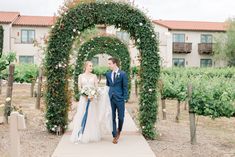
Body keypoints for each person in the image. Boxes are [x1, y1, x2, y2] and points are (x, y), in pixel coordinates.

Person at [70, 61, 112, 143]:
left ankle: (91, 134)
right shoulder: (80, 76)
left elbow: (96, 88)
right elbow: (79, 88)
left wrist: (92, 95)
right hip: (83, 99)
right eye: (90, 66)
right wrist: (85, 95)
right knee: (82, 114)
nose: (91, 67)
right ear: (85, 66)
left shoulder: (94, 76)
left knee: (92, 115)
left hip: (92, 99)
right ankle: (81, 134)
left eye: (92, 66)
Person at [106, 57, 128, 144]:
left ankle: (119, 130)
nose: (108, 65)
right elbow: (108, 86)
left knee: (121, 117)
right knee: (112, 117)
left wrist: (125, 98)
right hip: (111, 98)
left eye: (109, 63)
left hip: (120, 98)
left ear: (114, 64)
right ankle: (115, 135)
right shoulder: (108, 74)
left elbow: (125, 87)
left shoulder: (122, 74)